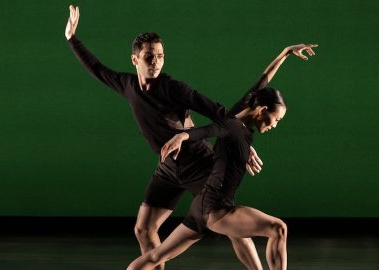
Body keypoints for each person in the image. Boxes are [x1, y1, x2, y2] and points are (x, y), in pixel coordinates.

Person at [65, 5, 265, 269]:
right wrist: (72, 38)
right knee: (144, 229)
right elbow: (97, 69)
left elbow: (218, 112)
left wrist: (239, 140)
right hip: (168, 169)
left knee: (227, 223)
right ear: (135, 59)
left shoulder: (174, 89)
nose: (156, 61)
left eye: (160, 56)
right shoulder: (127, 85)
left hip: (198, 164)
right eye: (149, 56)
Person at [127, 48, 317, 270]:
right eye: (276, 119)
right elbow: (207, 131)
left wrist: (285, 54)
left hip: (202, 208)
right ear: (262, 110)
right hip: (217, 210)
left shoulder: (238, 115)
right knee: (278, 228)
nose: (275, 125)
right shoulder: (232, 126)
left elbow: (261, 82)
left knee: (155, 257)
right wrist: (183, 135)